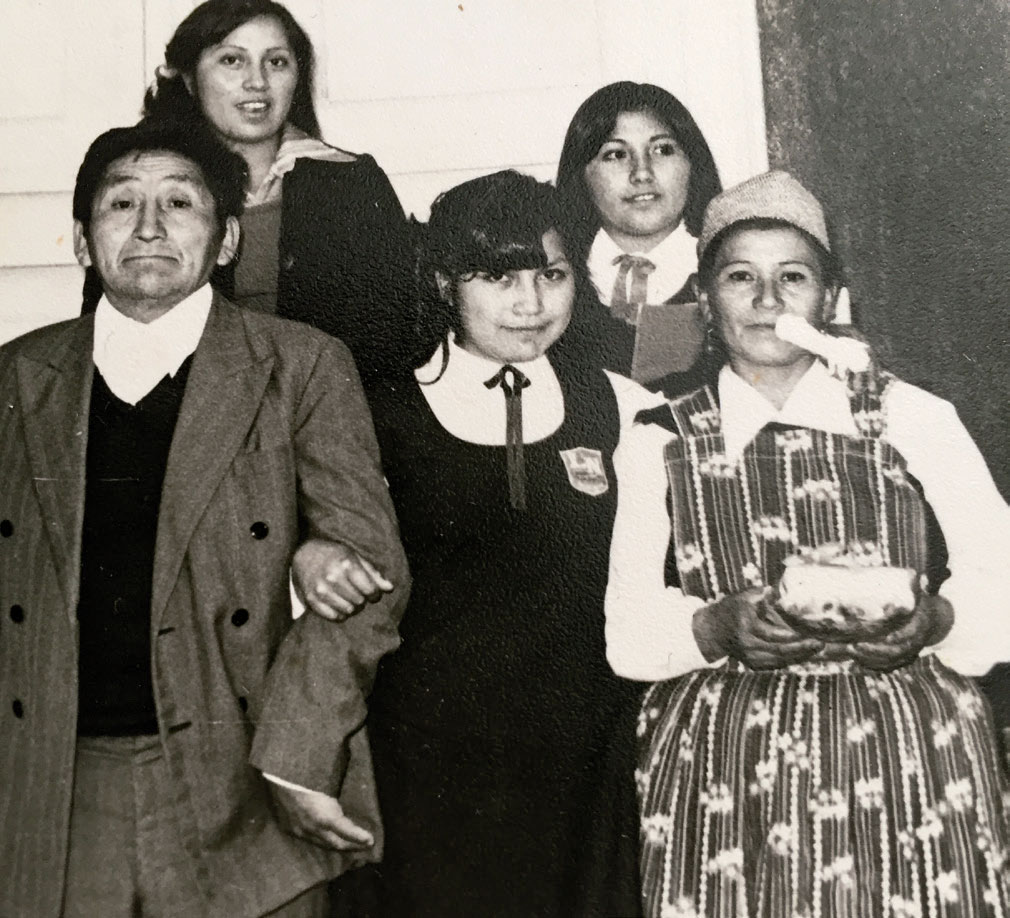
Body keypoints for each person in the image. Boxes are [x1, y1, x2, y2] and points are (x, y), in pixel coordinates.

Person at [0, 120, 409, 918]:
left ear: (227, 241)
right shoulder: (17, 376)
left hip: (245, 783)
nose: (150, 227)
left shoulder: (302, 365)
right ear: (82, 241)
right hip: (53, 786)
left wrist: (298, 754)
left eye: (180, 203)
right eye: (122, 203)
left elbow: (370, 571)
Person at [605, 171, 1010, 916]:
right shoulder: (658, 438)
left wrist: (935, 621)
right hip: (729, 768)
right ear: (705, 302)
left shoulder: (913, 418)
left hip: (907, 752)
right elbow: (627, 635)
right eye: (740, 277)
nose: (768, 300)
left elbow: (1003, 579)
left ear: (829, 300)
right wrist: (715, 625)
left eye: (793, 277)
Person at [308, 170, 661, 916]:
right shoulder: (378, 412)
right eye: (499, 278)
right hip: (430, 754)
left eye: (551, 275)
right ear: (445, 284)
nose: (530, 303)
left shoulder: (623, 406)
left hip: (587, 753)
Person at [84, 0, 414, 390]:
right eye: (232, 60)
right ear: (189, 79)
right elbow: (108, 336)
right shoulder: (139, 186)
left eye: (276, 62)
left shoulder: (353, 182)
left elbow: (396, 340)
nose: (257, 81)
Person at [555, 81, 721, 389]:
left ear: (693, 164)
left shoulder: (726, 273)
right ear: (581, 174)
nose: (642, 172)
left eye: (663, 150)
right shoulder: (552, 279)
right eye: (616, 154)